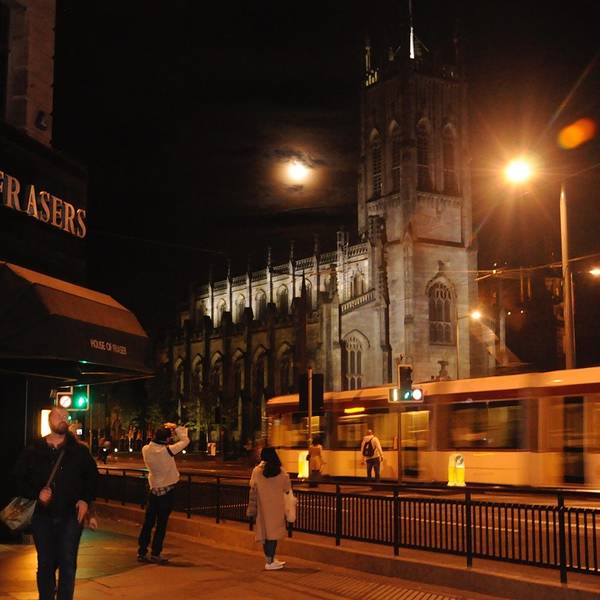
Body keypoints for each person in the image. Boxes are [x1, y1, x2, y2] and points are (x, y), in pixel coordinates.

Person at [14, 406, 99, 600]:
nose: (63, 419)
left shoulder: (79, 451)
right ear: (49, 420)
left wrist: (85, 500)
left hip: (71, 514)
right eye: (58, 415)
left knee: (68, 562)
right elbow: (18, 479)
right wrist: (37, 494)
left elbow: (92, 478)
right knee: (45, 562)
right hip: (42, 515)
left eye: (66, 416)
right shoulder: (34, 449)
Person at [137, 424, 189, 564]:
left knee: (148, 523)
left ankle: (142, 551)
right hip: (167, 491)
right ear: (166, 439)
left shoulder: (145, 449)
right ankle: (156, 553)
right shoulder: (167, 451)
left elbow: (159, 440)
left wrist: (165, 428)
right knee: (161, 524)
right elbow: (185, 441)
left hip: (154, 490)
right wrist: (177, 428)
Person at [248, 446, 291, 570]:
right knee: (274, 534)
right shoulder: (281, 471)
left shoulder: (257, 471)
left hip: (263, 507)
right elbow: (287, 487)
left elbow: (252, 485)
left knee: (265, 534)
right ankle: (270, 562)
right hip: (277, 507)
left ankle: (270, 559)